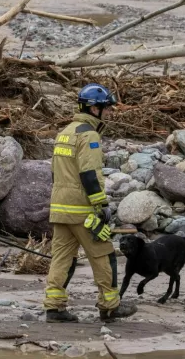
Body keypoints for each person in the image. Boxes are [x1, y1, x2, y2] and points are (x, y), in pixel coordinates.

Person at [44, 83, 137, 323]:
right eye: (108, 108)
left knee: (62, 258)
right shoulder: (89, 135)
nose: (111, 113)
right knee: (103, 255)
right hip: (82, 209)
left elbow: (55, 172)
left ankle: (54, 308)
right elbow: (89, 174)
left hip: (60, 208)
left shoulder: (65, 132)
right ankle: (109, 305)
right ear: (94, 110)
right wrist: (102, 206)